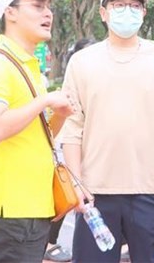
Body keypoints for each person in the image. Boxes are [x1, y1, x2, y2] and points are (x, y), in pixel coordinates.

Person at [60, 0, 154, 262]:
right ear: (103, 13)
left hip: (152, 190)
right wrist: (77, 184)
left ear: (144, 13)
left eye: (134, 6)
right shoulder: (82, 61)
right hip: (96, 192)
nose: (127, 12)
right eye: (118, 5)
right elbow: (73, 127)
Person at [0, 0, 74, 262]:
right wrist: (45, 100)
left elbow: (34, 136)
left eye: (49, 6)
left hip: (31, 208)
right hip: (9, 211)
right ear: (10, 12)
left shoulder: (27, 66)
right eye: (37, 5)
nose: (48, 13)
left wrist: (60, 116)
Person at [44, 37, 96, 263]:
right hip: (74, 147)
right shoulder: (69, 86)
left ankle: (119, 240)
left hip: (97, 149)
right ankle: (48, 241)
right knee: (66, 194)